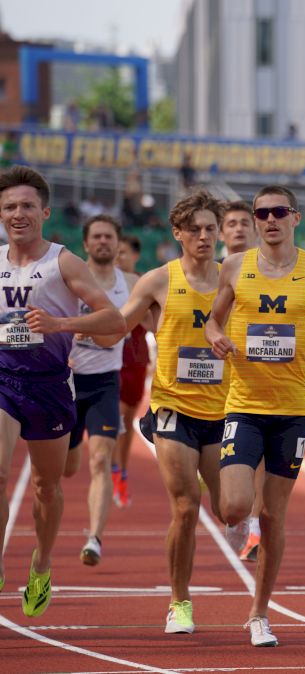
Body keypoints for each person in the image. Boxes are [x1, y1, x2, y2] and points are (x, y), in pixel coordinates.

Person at [205, 185, 305, 647]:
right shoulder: (234, 267)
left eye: (278, 212)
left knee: (273, 516)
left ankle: (258, 614)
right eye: (261, 213)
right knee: (234, 504)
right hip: (244, 403)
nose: (269, 220)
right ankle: (236, 522)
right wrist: (216, 336)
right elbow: (213, 320)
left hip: (292, 409)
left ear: (295, 218)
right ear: (254, 221)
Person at [97, 190, 229, 634]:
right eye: (195, 229)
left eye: (212, 228)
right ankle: (180, 602)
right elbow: (120, 322)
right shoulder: (158, 280)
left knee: (229, 508)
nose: (205, 236)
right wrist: (69, 331)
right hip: (173, 407)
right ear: (178, 234)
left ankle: (235, 518)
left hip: (225, 409)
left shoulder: (237, 278)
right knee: (186, 506)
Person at [0, 166, 124, 616]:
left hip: (50, 386)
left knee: (46, 487)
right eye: (10, 206)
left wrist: (60, 324)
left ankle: (42, 563)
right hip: (3, 380)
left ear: (44, 212)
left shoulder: (63, 262)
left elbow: (114, 321)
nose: (19, 214)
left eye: (27, 206)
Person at [61, 215, 139, 566]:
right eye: (97, 236)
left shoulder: (132, 283)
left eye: (110, 236)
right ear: (86, 243)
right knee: (66, 467)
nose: (104, 241)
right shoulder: (69, 280)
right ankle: (69, 447)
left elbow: (164, 319)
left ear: (118, 244)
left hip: (106, 382)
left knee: (100, 460)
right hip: (66, 383)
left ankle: (94, 538)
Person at [219, 199, 265, 561]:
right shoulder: (212, 271)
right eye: (230, 223)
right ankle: (239, 513)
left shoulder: (270, 271)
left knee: (259, 455)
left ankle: (254, 523)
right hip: (211, 382)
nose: (237, 229)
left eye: (243, 223)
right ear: (222, 232)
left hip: (255, 379)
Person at [112, 234, 151, 508]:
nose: (118, 257)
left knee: (125, 422)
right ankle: (111, 473)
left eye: (123, 252)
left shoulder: (143, 284)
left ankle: (121, 470)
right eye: (116, 252)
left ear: (135, 255)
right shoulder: (101, 283)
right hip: (107, 360)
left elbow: (154, 324)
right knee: (112, 421)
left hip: (135, 360)